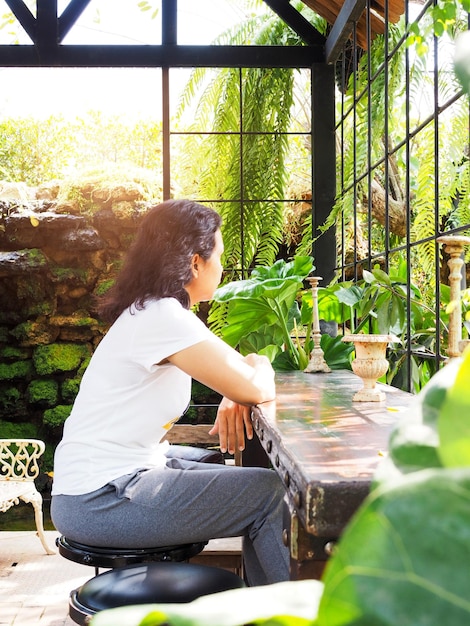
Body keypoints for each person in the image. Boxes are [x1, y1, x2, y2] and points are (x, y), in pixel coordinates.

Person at [51, 199, 290, 586]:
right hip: (99, 498)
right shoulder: (162, 317)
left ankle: (260, 601)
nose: (223, 267)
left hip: (101, 482)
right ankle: (285, 613)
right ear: (195, 262)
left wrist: (239, 387)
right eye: (220, 256)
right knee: (269, 493)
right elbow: (253, 386)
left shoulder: (153, 312)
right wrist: (258, 367)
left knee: (231, 473)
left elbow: (237, 381)